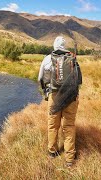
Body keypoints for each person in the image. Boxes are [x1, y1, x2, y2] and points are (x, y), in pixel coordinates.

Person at [38, 36, 82, 167]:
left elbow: (41, 78)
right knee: (69, 126)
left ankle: (52, 152)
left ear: (54, 45)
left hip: (55, 96)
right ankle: (69, 159)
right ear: (65, 46)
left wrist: (46, 93)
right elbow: (79, 80)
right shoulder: (72, 58)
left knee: (53, 125)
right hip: (71, 96)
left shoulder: (47, 59)